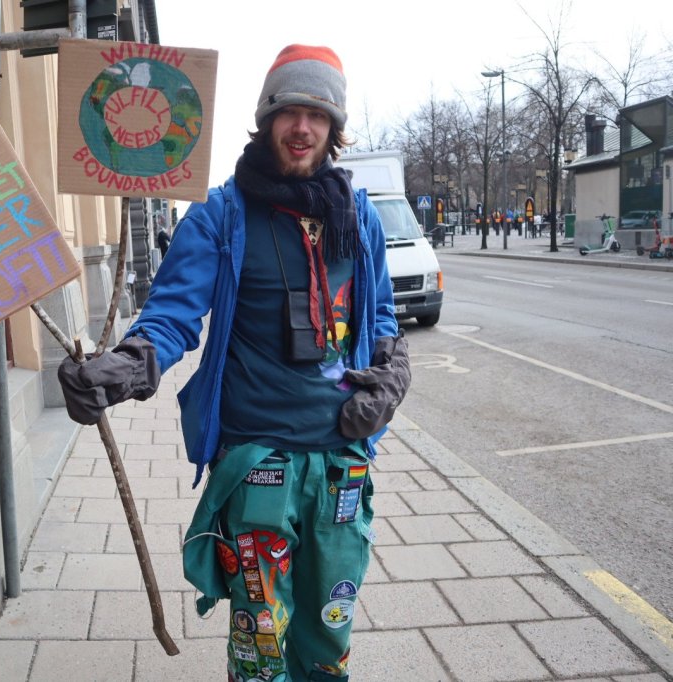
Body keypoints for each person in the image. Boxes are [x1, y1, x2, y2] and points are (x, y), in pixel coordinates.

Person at [57, 44, 410, 681]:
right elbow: (172, 315)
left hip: (341, 464)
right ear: (266, 118)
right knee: (261, 640)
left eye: (318, 115)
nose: (302, 127)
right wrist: (128, 366)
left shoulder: (357, 216)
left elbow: (382, 317)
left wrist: (391, 377)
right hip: (258, 465)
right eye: (289, 111)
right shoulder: (220, 215)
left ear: (334, 129)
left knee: (330, 633)